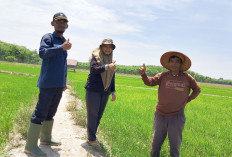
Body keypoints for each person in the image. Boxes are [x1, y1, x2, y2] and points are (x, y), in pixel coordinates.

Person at [24, 12, 72, 157]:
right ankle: (30, 146)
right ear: (52, 23)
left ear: (67, 26)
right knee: (40, 113)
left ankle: (45, 139)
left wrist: (64, 82)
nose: (61, 24)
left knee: (51, 112)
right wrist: (61, 48)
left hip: (58, 84)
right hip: (47, 83)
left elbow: (63, 65)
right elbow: (43, 53)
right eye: (58, 21)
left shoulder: (63, 40)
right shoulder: (48, 37)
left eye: (64, 22)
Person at [139, 51, 201, 157]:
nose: (174, 64)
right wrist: (144, 74)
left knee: (174, 146)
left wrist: (188, 99)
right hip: (160, 115)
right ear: (168, 63)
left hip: (177, 116)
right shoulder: (162, 76)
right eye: (171, 61)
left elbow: (197, 90)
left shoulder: (187, 78)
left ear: (181, 64)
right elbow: (149, 82)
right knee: (156, 144)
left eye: (177, 62)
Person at [84, 38, 116, 149]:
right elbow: (94, 69)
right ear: (101, 47)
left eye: (110, 47)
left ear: (112, 49)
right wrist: (107, 66)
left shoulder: (111, 60)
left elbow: (112, 77)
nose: (108, 49)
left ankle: (92, 136)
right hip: (93, 89)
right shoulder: (95, 57)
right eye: (105, 46)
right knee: (92, 115)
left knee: (99, 115)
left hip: (105, 91)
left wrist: (113, 91)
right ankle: (92, 139)